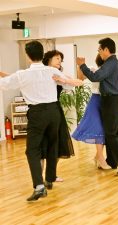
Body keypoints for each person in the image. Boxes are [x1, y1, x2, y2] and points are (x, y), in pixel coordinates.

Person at [0, 41, 81, 201]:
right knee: (52, 145)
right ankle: (50, 178)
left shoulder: (22, 74)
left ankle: (39, 186)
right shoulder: (51, 70)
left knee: (32, 150)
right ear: (42, 54)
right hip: (54, 112)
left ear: (28, 56)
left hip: (37, 113)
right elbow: (70, 85)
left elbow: (5, 84)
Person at [76, 37, 118, 175]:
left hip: (111, 101)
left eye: (100, 50)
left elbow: (95, 77)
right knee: (113, 134)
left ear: (106, 50)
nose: (99, 52)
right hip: (115, 100)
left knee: (110, 135)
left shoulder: (110, 63)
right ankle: (112, 161)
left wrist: (82, 65)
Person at [41, 50, 75, 185]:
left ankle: (51, 175)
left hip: (56, 110)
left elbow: (76, 82)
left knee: (59, 144)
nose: (59, 61)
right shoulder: (43, 72)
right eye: (57, 58)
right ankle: (43, 178)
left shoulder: (59, 73)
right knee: (45, 145)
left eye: (61, 59)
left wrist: (63, 79)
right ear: (48, 60)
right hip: (45, 110)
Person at [72, 54, 110, 169]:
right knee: (98, 129)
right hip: (95, 101)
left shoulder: (109, 71)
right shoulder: (94, 70)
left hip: (106, 101)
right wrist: (80, 65)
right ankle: (101, 158)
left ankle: (98, 156)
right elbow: (81, 78)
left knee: (104, 130)